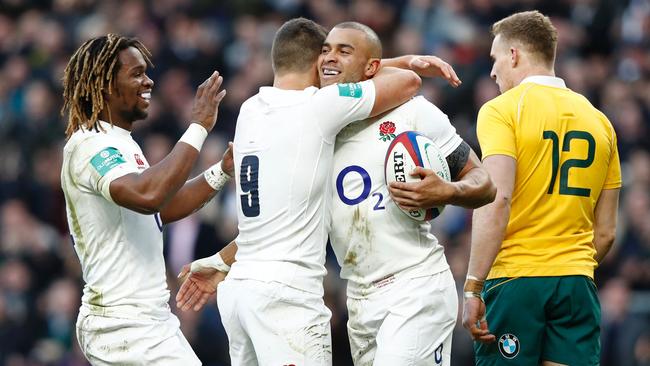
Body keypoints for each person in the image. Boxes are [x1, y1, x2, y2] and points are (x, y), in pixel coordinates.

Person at [179, 18, 422, 366]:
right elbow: (408, 83)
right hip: (286, 296)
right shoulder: (318, 107)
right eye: (327, 59)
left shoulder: (250, 110)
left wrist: (221, 261)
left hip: (240, 290)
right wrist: (395, 63)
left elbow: (276, 217)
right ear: (318, 65)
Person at [443, 11, 617, 365]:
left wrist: (474, 285)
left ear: (514, 55)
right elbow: (607, 233)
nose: (492, 72)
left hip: (515, 281)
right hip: (576, 284)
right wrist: (567, 266)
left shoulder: (502, 110)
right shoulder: (600, 122)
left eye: (495, 59)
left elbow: (497, 197)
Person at [320, 22, 495, 365]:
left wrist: (448, 190)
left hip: (414, 287)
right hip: (358, 296)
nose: (329, 57)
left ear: (372, 67)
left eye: (344, 51)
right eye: (325, 49)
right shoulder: (316, 123)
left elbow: (483, 182)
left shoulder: (413, 112)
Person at [60, 34, 234, 364]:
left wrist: (220, 172)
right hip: (124, 324)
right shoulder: (91, 145)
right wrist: (198, 127)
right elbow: (149, 195)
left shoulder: (122, 144)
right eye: (136, 73)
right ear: (106, 85)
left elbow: (161, 207)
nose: (148, 80)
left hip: (147, 321)